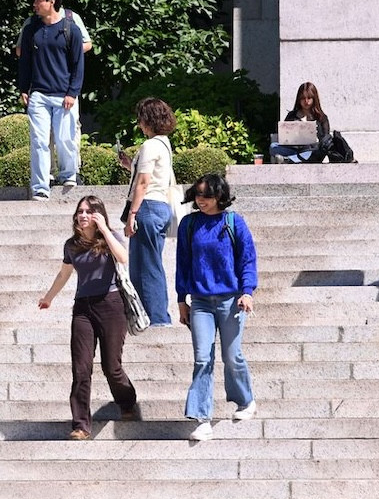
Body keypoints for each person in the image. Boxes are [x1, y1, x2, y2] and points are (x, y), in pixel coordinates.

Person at [38, 195, 139, 441]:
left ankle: (127, 402)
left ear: (98, 215)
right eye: (80, 211)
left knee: (111, 367)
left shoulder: (110, 237)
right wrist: (49, 298)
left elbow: (123, 258)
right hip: (83, 308)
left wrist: (104, 230)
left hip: (111, 304)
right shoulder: (71, 245)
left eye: (88, 212)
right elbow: (64, 274)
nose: (83, 215)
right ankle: (81, 424)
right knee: (81, 368)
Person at [176, 173, 258, 442]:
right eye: (198, 195)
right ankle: (202, 418)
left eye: (207, 196)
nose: (201, 201)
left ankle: (245, 400)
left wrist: (247, 292)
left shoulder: (234, 222)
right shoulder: (189, 224)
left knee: (232, 356)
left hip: (231, 300)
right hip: (200, 302)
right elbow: (183, 263)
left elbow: (247, 259)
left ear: (220, 196)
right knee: (202, 358)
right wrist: (181, 299)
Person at [17, 0, 85, 200]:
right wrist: (23, 88)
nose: (35, 5)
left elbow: (78, 64)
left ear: (52, 1)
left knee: (65, 139)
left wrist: (72, 93)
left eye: (39, 0)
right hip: (39, 95)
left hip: (64, 95)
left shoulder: (71, 30)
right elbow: (24, 61)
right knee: (39, 142)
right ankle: (40, 187)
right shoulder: (31, 30)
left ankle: (68, 174)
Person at [123, 98, 178, 327]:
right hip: (160, 207)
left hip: (147, 207)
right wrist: (130, 165)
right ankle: (154, 315)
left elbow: (144, 183)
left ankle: (156, 317)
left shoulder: (150, 146)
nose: (139, 124)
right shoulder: (164, 144)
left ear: (148, 120)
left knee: (145, 265)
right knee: (150, 262)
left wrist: (132, 214)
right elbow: (153, 176)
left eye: (141, 119)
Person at [270, 82, 331, 164]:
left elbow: (326, 140)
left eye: (309, 98)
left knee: (316, 151)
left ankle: (288, 160)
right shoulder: (292, 115)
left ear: (314, 98)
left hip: (311, 150)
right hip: (294, 149)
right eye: (303, 98)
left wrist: (316, 135)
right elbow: (283, 136)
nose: (306, 101)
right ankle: (294, 159)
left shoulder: (321, 118)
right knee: (273, 146)